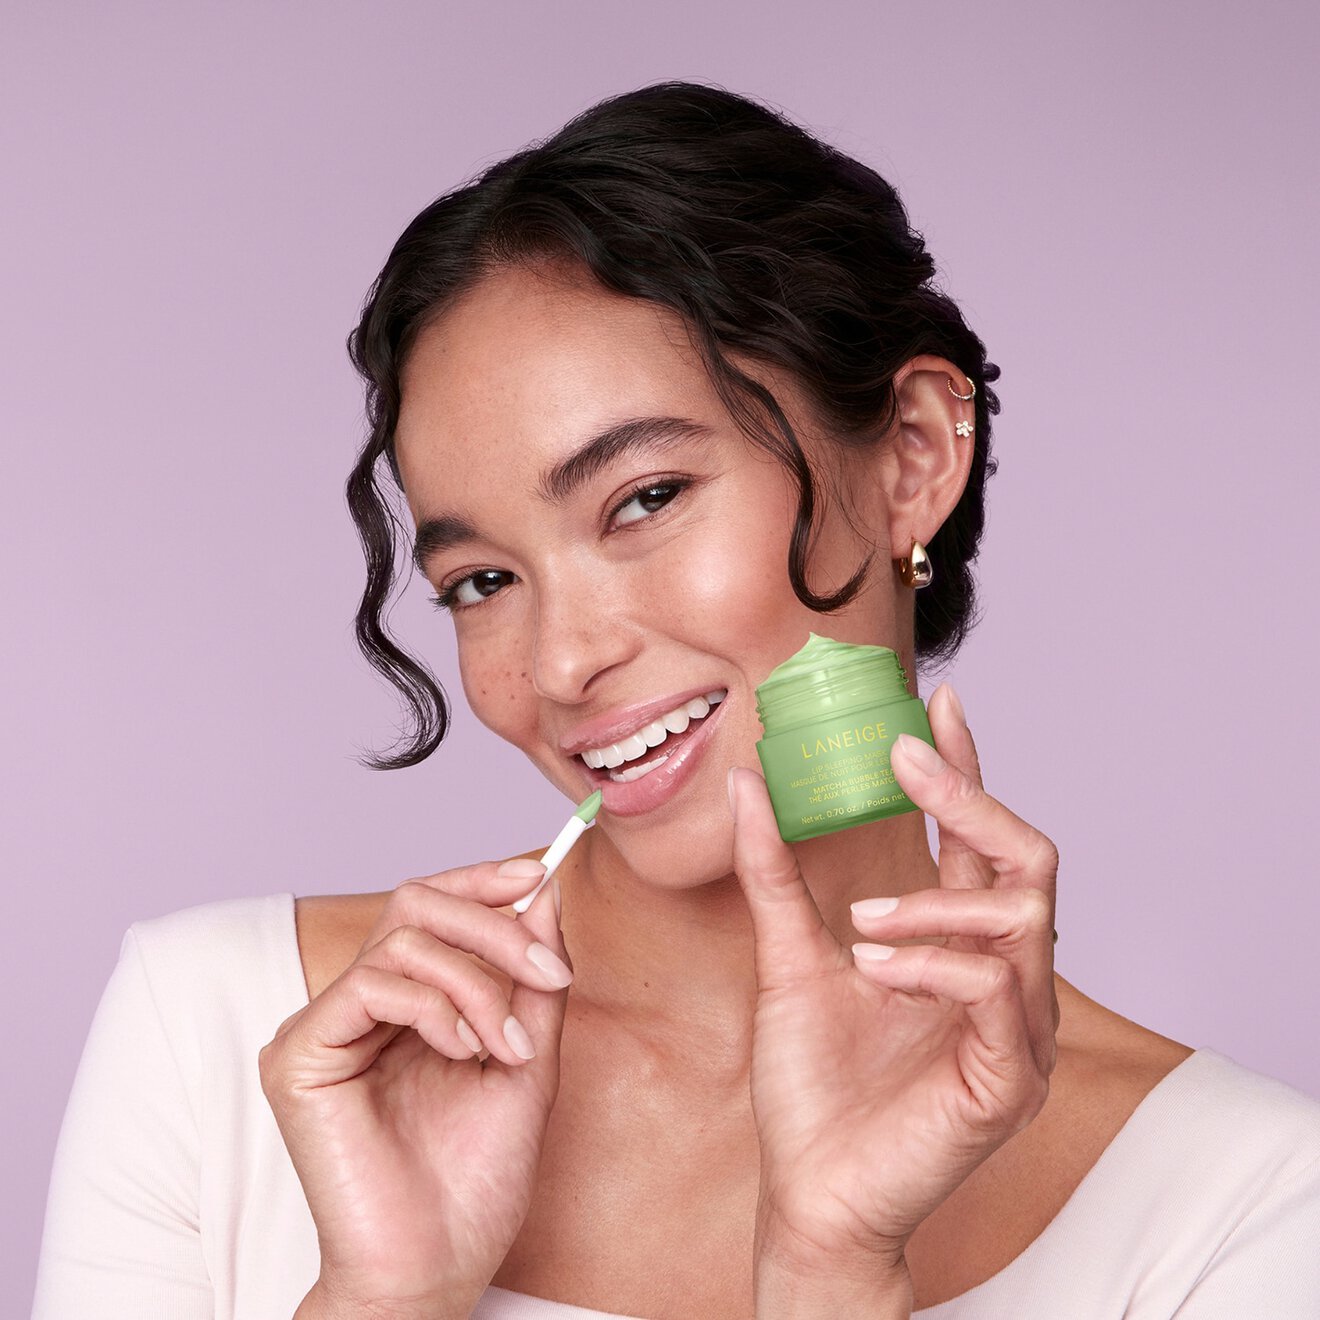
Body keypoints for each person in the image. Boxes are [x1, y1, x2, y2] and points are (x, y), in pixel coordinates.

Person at [32, 80, 1320, 1320]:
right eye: (483, 581)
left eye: (645, 499)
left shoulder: (1242, 1202)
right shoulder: (225, 1037)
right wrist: (383, 1300)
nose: (560, 663)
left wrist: (829, 1271)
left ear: (915, 456)